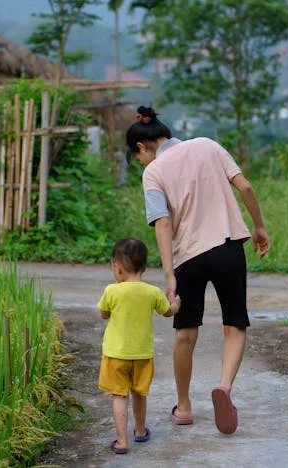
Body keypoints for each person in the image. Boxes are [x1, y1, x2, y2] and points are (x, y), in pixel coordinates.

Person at [124, 106, 271, 435]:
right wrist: (259, 227)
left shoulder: (154, 172)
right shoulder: (207, 144)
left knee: (185, 333)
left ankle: (185, 407)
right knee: (234, 325)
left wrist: (168, 273)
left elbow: (163, 223)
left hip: (188, 256)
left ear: (141, 147)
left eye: (137, 157)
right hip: (229, 245)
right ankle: (224, 387)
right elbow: (245, 187)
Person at [97, 237, 181, 454]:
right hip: (142, 354)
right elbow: (168, 312)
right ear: (144, 267)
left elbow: (104, 314)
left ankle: (122, 442)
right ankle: (141, 432)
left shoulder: (111, 291)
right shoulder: (152, 292)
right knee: (139, 393)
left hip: (116, 354)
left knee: (119, 395)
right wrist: (176, 303)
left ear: (116, 267)